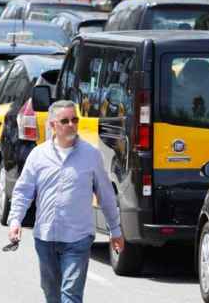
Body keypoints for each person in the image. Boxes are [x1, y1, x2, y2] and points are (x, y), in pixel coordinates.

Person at [7, 100, 124, 303]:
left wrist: (115, 230)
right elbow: (23, 191)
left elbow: (105, 195)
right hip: (45, 238)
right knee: (52, 293)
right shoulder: (38, 156)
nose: (71, 124)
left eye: (74, 120)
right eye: (65, 120)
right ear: (53, 125)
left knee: (70, 295)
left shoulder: (91, 155)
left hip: (78, 239)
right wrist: (15, 220)